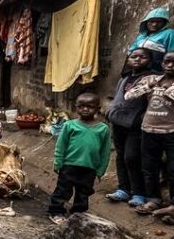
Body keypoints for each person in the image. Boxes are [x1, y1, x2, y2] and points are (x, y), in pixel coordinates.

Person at [48, 93, 111, 224]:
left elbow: (105, 152)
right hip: (69, 165)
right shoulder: (70, 125)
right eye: (81, 106)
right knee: (63, 190)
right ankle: (57, 211)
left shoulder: (103, 129)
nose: (85, 109)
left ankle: (78, 214)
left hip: (90, 168)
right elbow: (61, 145)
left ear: (97, 108)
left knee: (84, 193)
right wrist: (58, 162)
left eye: (90, 107)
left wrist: (101, 170)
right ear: (76, 107)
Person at [124, 51, 174, 215]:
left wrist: (169, 91)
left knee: (172, 169)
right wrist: (148, 87)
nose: (170, 65)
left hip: (171, 132)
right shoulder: (150, 79)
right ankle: (154, 200)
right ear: (162, 64)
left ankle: (172, 205)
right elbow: (129, 95)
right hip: (148, 130)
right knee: (149, 167)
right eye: (167, 62)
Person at [104, 48, 153, 206]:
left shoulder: (151, 79)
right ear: (128, 59)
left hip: (135, 125)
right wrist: (110, 111)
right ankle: (123, 189)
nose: (137, 59)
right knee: (120, 156)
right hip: (118, 123)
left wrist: (143, 116)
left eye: (142, 57)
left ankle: (138, 192)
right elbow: (118, 97)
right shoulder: (125, 78)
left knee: (132, 157)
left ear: (150, 60)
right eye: (134, 56)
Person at [129, 7, 174, 72]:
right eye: (151, 21)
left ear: (164, 23)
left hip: (155, 70)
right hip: (137, 69)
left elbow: (172, 54)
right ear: (146, 22)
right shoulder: (141, 36)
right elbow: (131, 51)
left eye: (159, 22)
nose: (154, 24)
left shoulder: (169, 33)